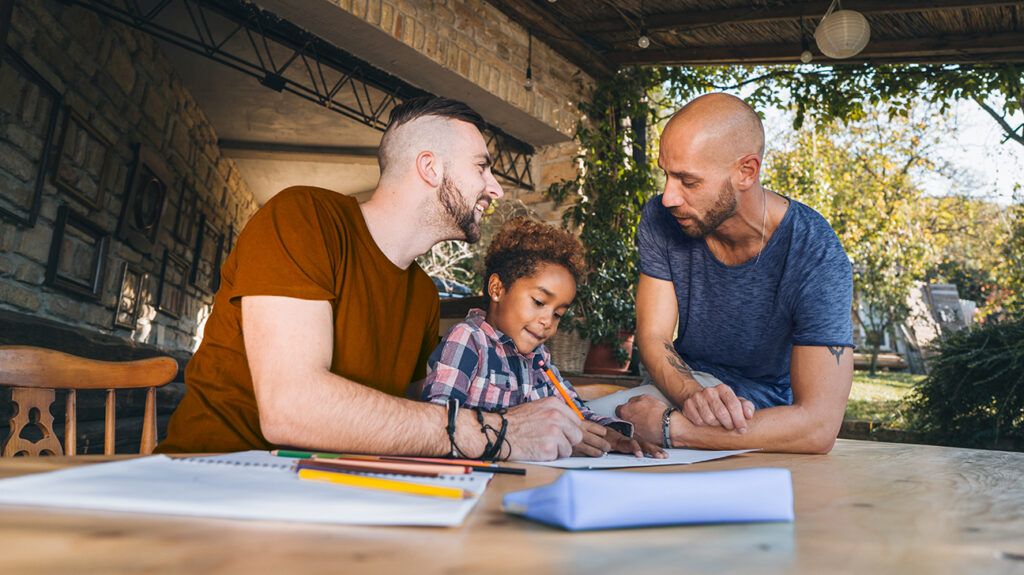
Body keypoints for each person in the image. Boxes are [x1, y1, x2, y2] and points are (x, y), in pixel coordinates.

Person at [157, 97, 585, 460]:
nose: (496, 189)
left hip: (330, 493)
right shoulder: (303, 217)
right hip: (215, 480)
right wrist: (492, 432)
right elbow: (291, 408)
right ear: (430, 168)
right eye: (481, 167)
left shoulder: (420, 292)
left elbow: (408, 416)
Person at [614, 93, 855, 454]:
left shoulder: (815, 252)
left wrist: (671, 428)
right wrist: (693, 395)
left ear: (746, 172)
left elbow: (818, 426)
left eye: (688, 181)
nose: (668, 197)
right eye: (666, 175)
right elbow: (652, 336)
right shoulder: (661, 218)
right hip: (678, 390)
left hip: (762, 421)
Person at [419, 218, 665, 459]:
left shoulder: (540, 360)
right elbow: (441, 418)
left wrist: (614, 436)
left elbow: (576, 413)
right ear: (497, 289)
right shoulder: (469, 340)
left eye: (558, 314)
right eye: (538, 302)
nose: (548, 321)